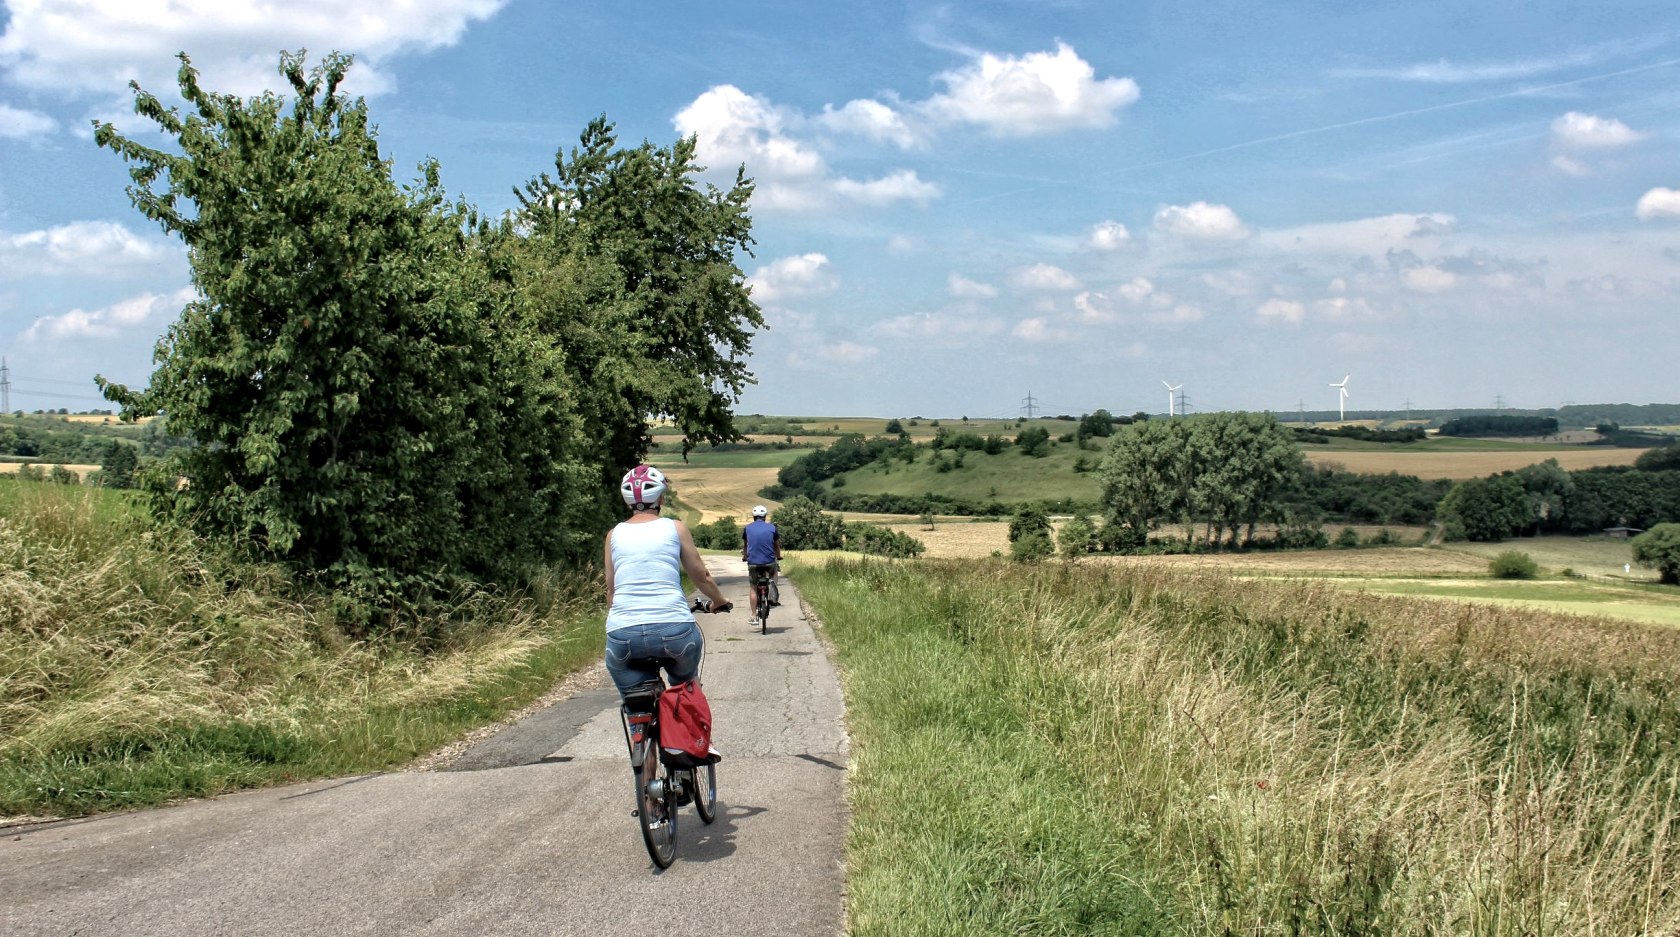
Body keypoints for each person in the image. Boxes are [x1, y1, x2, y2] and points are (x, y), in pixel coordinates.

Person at [603, 465, 731, 701]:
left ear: (626, 500)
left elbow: (611, 591)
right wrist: (718, 601)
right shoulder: (675, 528)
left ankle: (638, 728)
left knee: (634, 701)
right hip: (674, 630)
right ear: (661, 497)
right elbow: (701, 576)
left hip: (623, 633)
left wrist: (624, 622)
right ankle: (685, 715)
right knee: (685, 685)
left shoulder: (614, 535)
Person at [742, 504, 782, 621]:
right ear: (765, 517)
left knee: (753, 587)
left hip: (753, 562)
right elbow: (777, 546)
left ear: (754, 517)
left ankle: (753, 615)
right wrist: (778, 556)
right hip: (769, 562)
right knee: (774, 571)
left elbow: (745, 545)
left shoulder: (747, 528)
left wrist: (745, 557)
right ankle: (772, 586)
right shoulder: (772, 528)